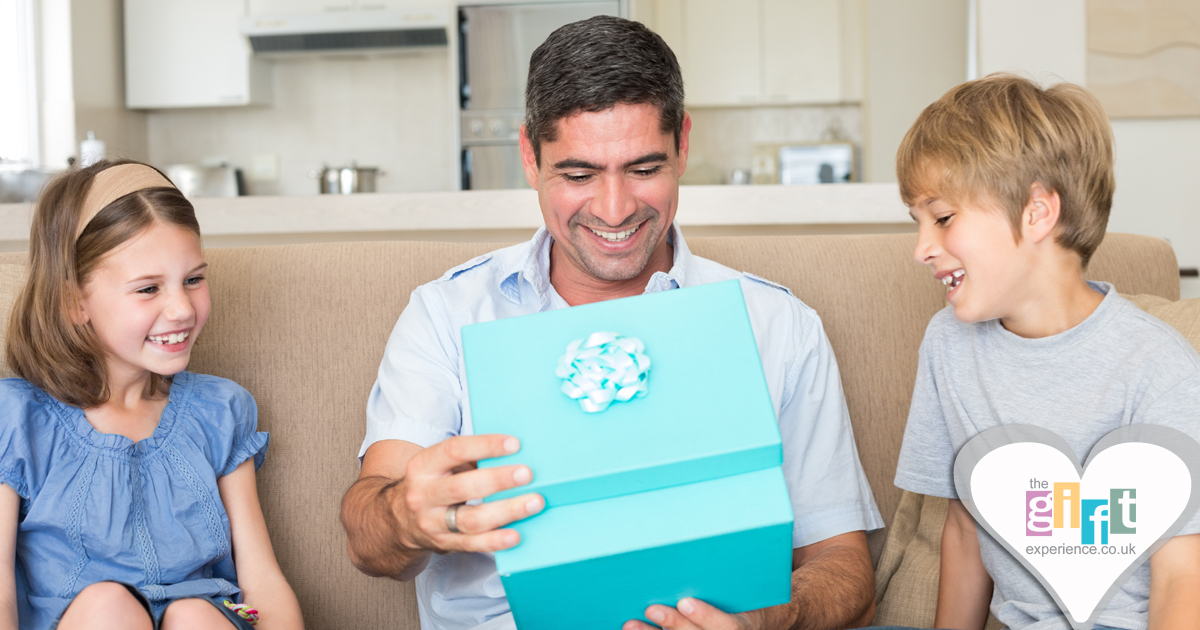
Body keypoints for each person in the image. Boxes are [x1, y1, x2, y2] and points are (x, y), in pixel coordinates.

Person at [341, 15, 882, 630]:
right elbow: (367, 538)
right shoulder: (447, 316)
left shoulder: (777, 324)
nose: (615, 209)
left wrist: (770, 620)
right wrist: (405, 518)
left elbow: (844, 566)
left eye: (644, 169)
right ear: (529, 155)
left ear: (682, 144)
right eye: (578, 175)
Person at [888, 74, 1200, 630]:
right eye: (917, 222)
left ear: (1037, 213)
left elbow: (1182, 578)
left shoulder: (1160, 370)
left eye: (942, 218)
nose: (922, 249)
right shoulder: (948, 346)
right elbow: (964, 528)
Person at [1, 160, 304, 630]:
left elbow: (261, 579)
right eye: (148, 288)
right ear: (72, 301)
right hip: (83, 620)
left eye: (194, 279)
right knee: (108, 607)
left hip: (213, 615)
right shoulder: (17, 419)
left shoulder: (219, 411)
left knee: (193, 616)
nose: (182, 308)